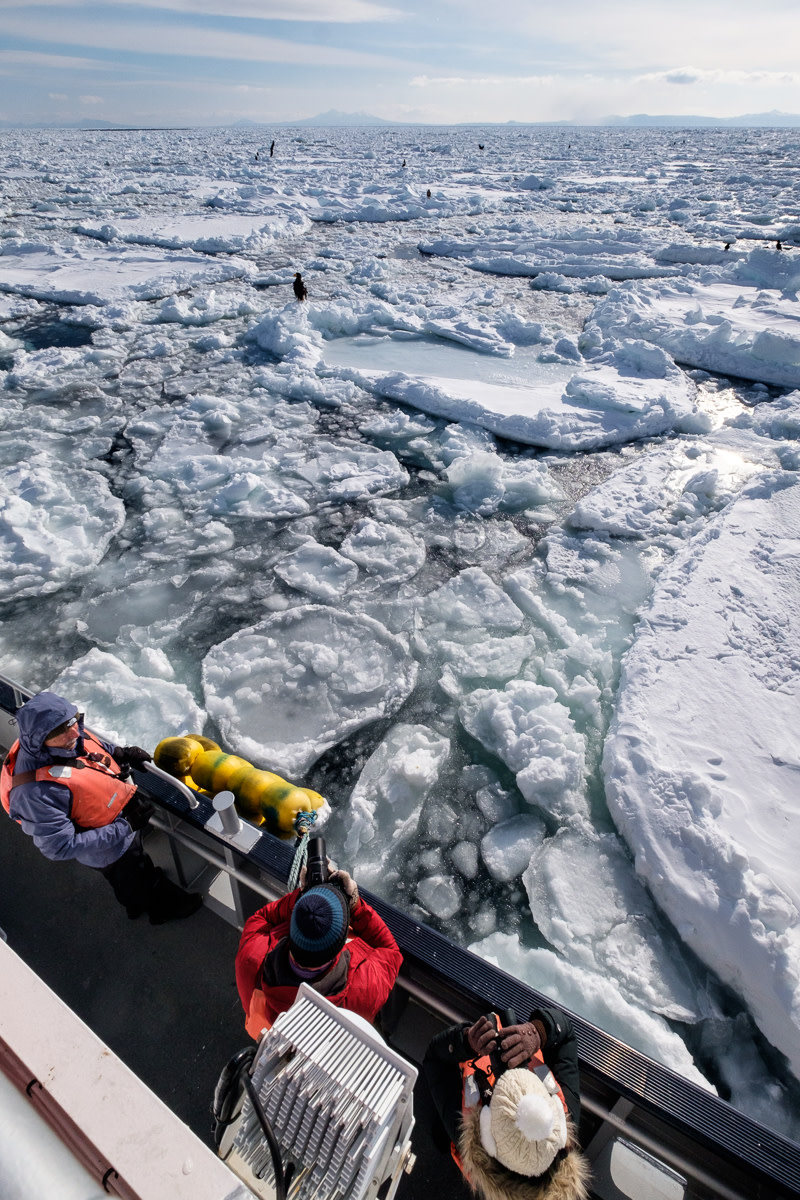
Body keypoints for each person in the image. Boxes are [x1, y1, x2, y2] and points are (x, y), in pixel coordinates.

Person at [1, 691, 202, 924]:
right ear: (39, 739)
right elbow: (59, 847)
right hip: (108, 849)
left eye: (74, 721)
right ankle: (161, 911)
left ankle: (133, 904)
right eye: (61, 730)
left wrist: (122, 753)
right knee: (133, 875)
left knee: (130, 877)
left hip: (115, 823)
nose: (75, 732)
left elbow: (90, 745)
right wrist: (125, 827)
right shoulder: (34, 794)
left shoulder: (64, 736)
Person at [423, 1004, 590, 1200]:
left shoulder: (465, 1133)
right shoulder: (566, 1120)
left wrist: (465, 1042)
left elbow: (435, 1060)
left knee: (442, 1130)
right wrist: (538, 1033)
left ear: (487, 1128)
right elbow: (567, 1034)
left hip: (458, 1112)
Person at [235, 868, 402, 1039]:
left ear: (293, 924)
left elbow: (263, 917)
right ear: (343, 942)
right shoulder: (363, 990)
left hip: (270, 1036)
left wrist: (304, 900)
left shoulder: (252, 956)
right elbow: (390, 949)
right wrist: (356, 906)